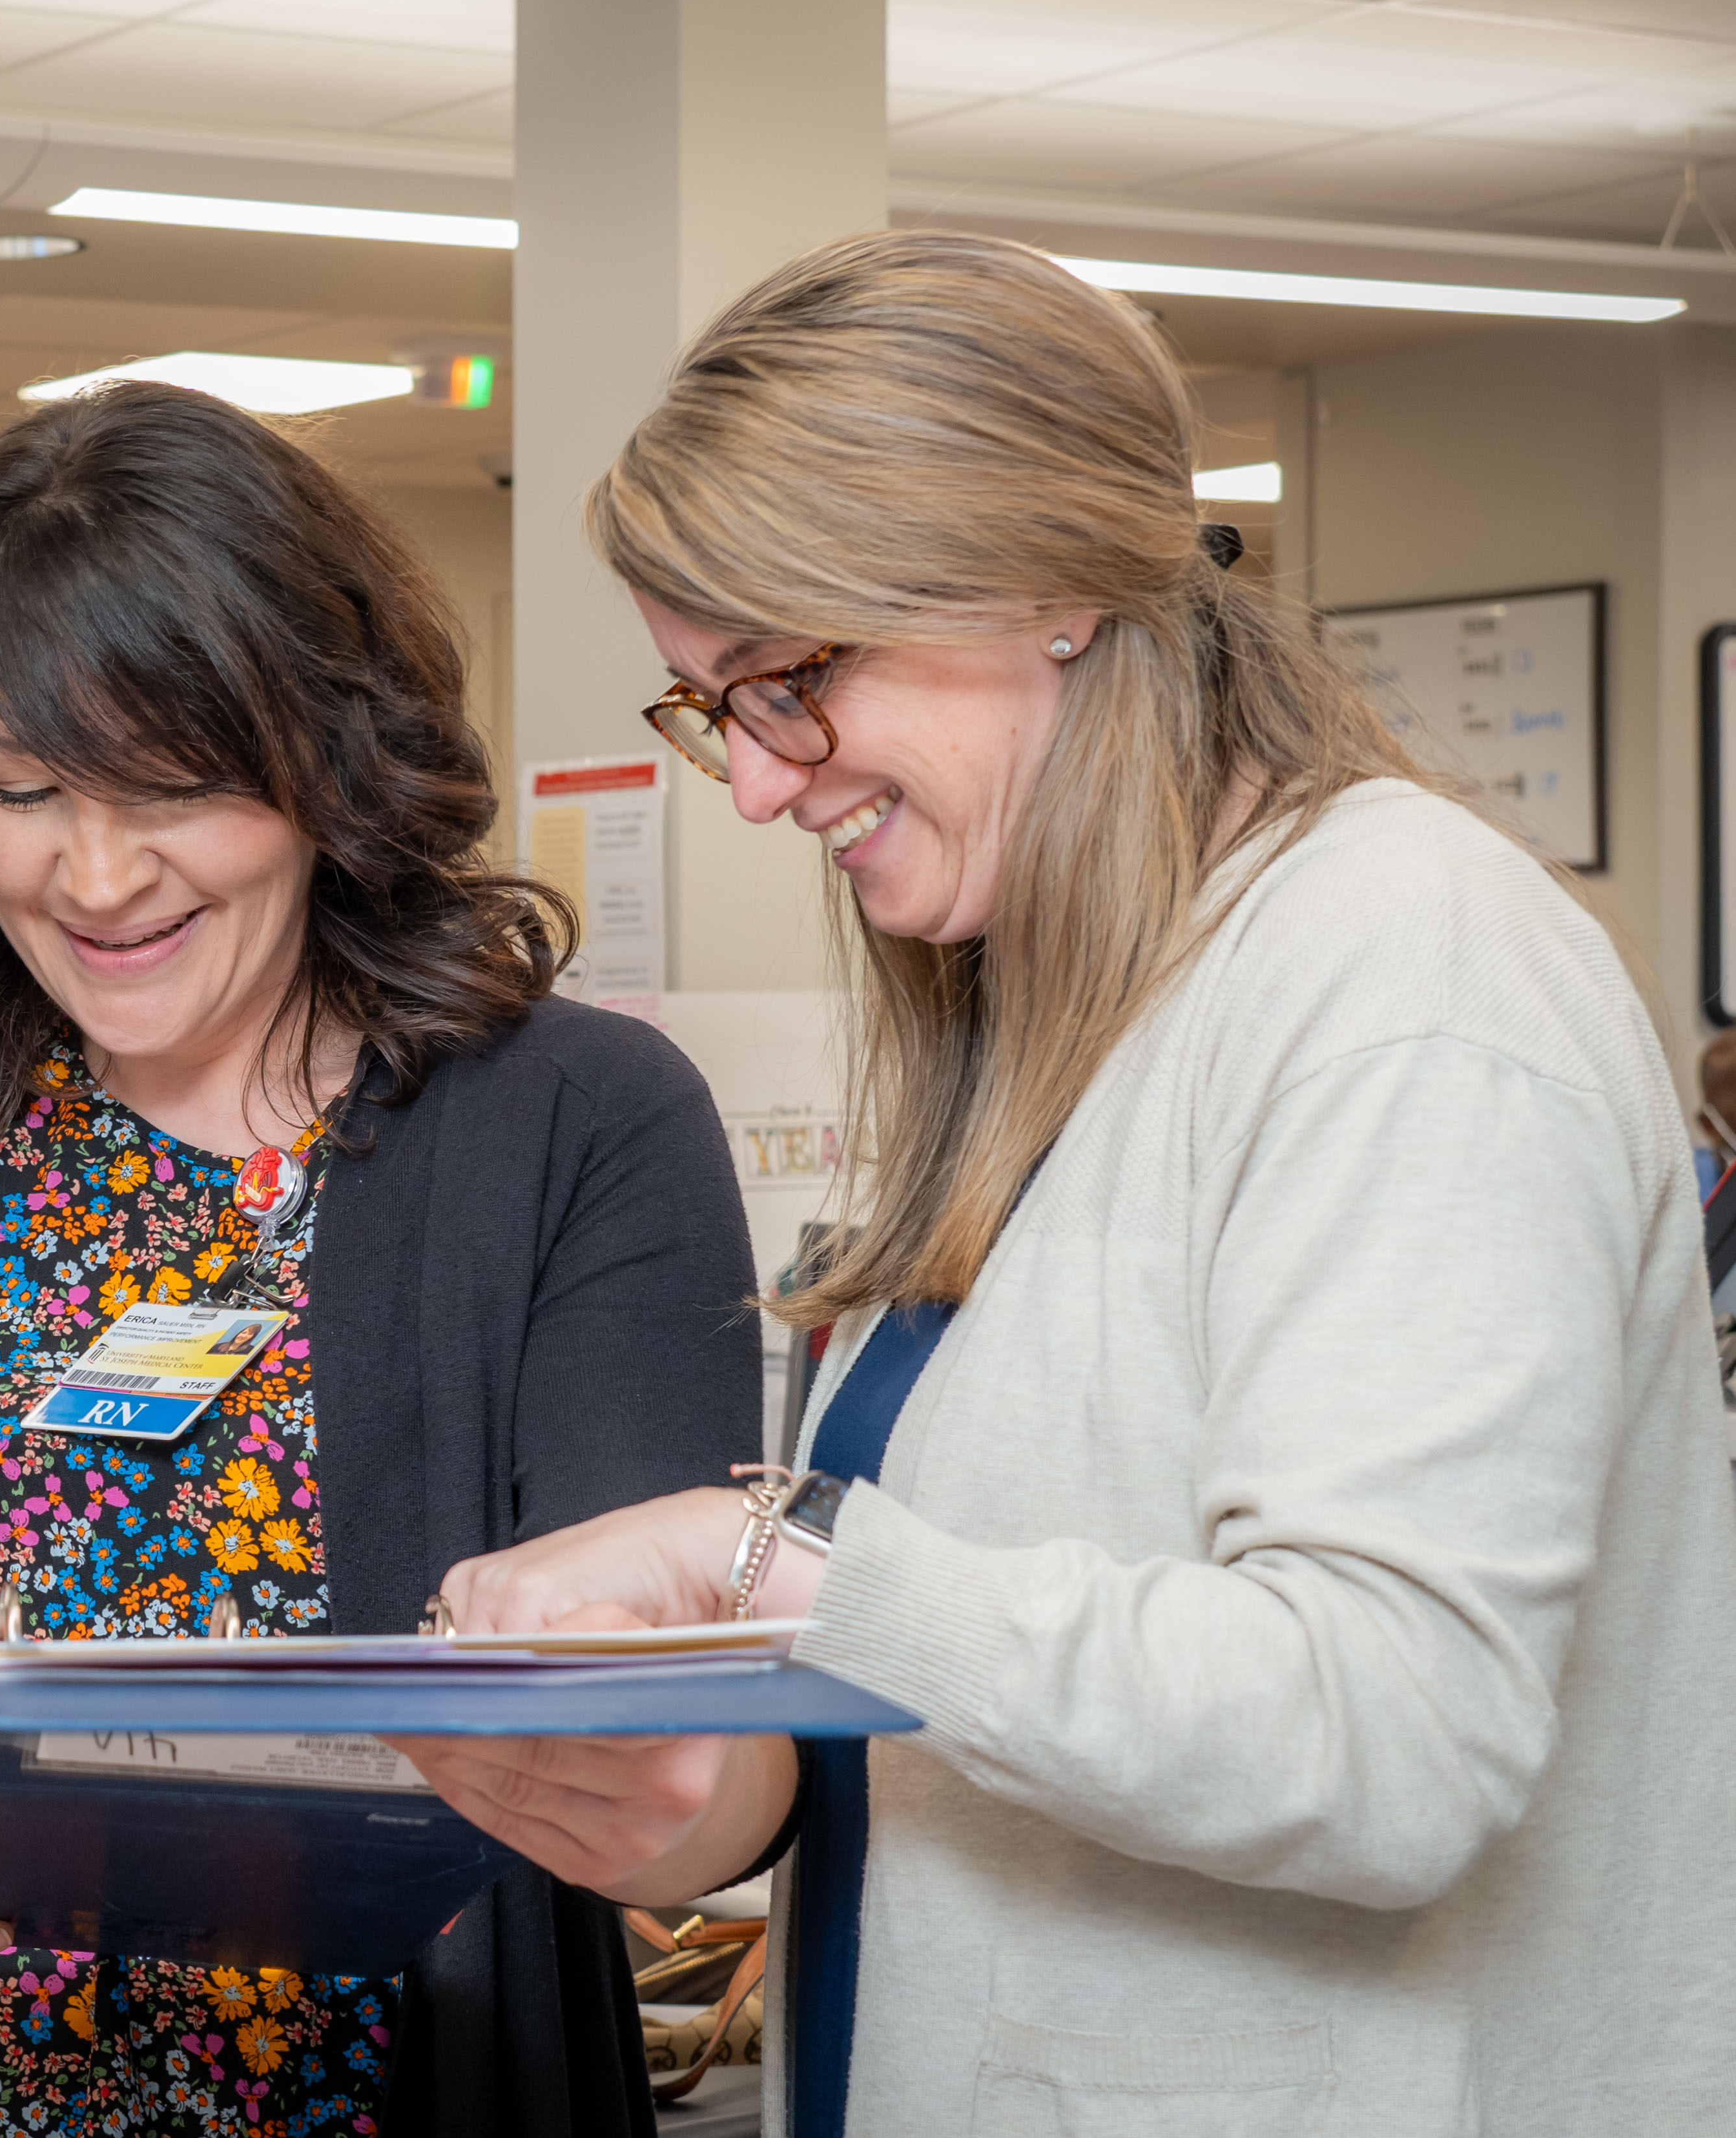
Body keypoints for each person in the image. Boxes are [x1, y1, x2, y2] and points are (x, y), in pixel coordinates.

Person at [404, 231, 1736, 2137]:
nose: (762, 785)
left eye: (787, 680)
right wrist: (708, 1777)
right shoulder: (1051, 1009)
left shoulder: (1407, 976)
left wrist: (781, 1565)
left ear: (1038, 583)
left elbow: (1389, 1729)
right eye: (714, 709)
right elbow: (1000, 1681)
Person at [0, 383, 761, 2135]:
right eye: (24, 790)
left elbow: (672, 1727)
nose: (95, 876)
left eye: (171, 788)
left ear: (330, 754)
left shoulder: (575, 1124)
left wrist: (665, 1770)